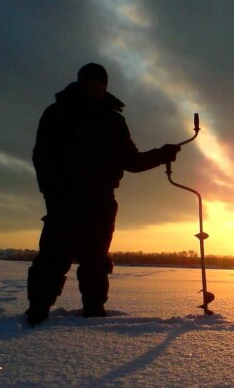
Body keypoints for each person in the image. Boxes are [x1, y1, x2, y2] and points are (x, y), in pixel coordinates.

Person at [26, 63, 180, 326]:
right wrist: (52, 193)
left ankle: (94, 315)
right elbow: (42, 157)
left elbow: (131, 161)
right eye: (92, 81)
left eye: (102, 82)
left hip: (101, 202)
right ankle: (37, 312)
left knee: (96, 261)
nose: (97, 86)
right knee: (53, 257)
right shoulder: (57, 113)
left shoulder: (114, 121)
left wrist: (160, 154)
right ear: (82, 82)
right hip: (64, 200)